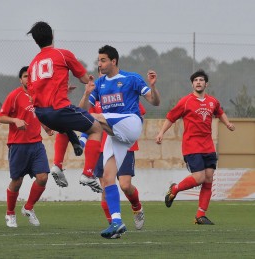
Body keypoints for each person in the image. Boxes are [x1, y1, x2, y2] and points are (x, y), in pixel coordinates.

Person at [79, 45, 160, 239]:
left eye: (103, 60)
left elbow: (155, 102)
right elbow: (83, 111)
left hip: (131, 124)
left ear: (114, 61)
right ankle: (117, 222)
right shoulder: (99, 84)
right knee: (108, 178)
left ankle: (87, 171)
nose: (100, 64)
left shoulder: (131, 78)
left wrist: (153, 86)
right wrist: (85, 93)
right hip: (115, 135)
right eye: (98, 60)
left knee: (96, 118)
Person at [26, 21, 103, 193]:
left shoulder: (32, 65)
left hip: (42, 113)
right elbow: (83, 77)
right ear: (52, 36)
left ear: (36, 41)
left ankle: (58, 165)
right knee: (96, 129)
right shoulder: (62, 54)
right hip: (58, 109)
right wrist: (90, 81)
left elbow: (34, 93)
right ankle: (88, 174)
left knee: (64, 127)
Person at [155, 69, 235, 225]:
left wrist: (228, 123)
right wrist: (161, 133)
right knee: (199, 178)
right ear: (192, 84)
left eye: (201, 80)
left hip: (208, 146)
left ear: (206, 84)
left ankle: (200, 215)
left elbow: (220, 112)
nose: (198, 82)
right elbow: (171, 117)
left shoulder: (212, 101)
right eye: (196, 80)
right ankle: (175, 189)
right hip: (191, 145)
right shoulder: (185, 101)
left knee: (209, 179)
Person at [80, 101, 147, 232]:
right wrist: (82, 140)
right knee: (105, 189)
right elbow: (88, 121)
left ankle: (137, 207)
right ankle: (114, 225)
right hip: (101, 148)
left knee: (125, 186)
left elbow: (140, 116)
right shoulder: (95, 96)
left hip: (124, 144)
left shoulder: (125, 90)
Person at [0, 66, 51, 228]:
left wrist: (46, 127)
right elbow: (0, 117)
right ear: (21, 80)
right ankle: (10, 213)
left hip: (36, 144)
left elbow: (39, 114)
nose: (29, 79)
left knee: (43, 177)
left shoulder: (38, 96)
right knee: (17, 181)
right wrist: (15, 120)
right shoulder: (14, 95)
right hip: (18, 145)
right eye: (26, 76)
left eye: (31, 76)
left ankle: (28, 208)